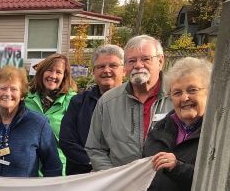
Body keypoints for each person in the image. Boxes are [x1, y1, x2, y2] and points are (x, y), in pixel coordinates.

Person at [86, 35, 173, 171]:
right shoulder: (108, 101)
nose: (138, 65)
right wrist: (114, 179)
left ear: (160, 61)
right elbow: (95, 148)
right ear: (125, 66)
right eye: (131, 61)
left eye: (146, 59)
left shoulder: (178, 96)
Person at [0, 66, 62, 177]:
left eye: (13, 89)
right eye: (3, 88)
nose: (7, 93)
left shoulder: (38, 123)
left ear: (22, 94)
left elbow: (53, 168)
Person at [143, 57, 211, 191]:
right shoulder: (158, 130)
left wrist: (177, 167)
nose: (185, 98)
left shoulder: (217, 135)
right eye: (177, 92)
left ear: (209, 92)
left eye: (192, 90)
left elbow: (215, 181)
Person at [60, 45, 125, 175]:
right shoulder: (78, 102)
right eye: (100, 66)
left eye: (113, 65)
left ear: (124, 70)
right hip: (83, 177)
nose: (106, 70)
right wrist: (98, 165)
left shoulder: (134, 102)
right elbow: (67, 141)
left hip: (122, 175)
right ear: (94, 72)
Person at [24, 53, 78, 174]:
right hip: (28, 170)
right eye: (49, 70)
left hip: (59, 171)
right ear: (41, 72)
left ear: (64, 76)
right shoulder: (25, 98)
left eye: (58, 72)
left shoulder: (73, 101)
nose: (53, 76)